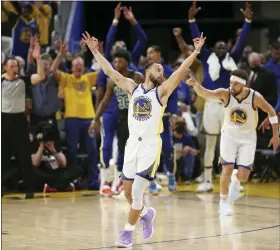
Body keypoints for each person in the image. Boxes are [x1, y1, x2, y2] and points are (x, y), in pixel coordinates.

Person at [82, 30, 205, 247]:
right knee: (128, 193)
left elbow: (180, 71)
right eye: (158, 69)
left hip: (150, 145)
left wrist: (195, 51)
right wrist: (95, 52)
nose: (162, 72)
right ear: (147, 70)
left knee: (137, 192)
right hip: (132, 145)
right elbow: (110, 71)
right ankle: (146, 214)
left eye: (162, 70)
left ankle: (127, 233)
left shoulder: (162, 92)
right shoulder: (133, 87)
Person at [186, 69, 279, 216]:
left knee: (243, 177)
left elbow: (272, 112)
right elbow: (206, 93)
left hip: (248, 138)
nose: (232, 86)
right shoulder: (226, 93)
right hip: (229, 136)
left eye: (235, 84)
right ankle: (223, 202)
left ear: (244, 84)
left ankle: (236, 180)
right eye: (231, 82)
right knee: (226, 169)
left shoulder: (255, 97)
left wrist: (275, 135)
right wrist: (195, 85)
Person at [188, 1, 253, 192]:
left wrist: (248, 20)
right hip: (210, 105)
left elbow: (242, 40)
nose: (223, 48)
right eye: (220, 46)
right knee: (210, 143)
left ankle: (235, 181)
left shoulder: (233, 58)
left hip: (229, 105)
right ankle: (207, 180)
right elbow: (196, 38)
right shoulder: (207, 57)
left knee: (232, 143)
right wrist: (191, 19)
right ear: (214, 48)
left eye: (225, 47)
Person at [88, 49, 144, 196]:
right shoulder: (111, 80)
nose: (117, 64)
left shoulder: (137, 77)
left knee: (125, 149)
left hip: (134, 116)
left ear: (127, 62)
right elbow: (105, 101)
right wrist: (95, 119)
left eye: (120, 61)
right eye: (115, 61)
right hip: (121, 114)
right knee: (107, 147)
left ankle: (121, 180)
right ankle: (105, 181)